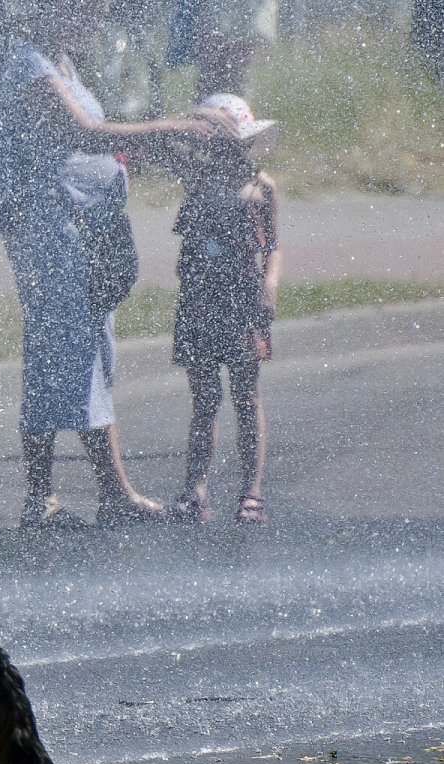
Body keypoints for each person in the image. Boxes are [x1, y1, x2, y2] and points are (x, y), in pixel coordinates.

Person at [0, 0, 231, 528]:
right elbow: (84, 133)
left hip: (80, 231)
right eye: (89, 11)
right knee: (59, 351)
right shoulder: (29, 66)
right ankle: (47, 498)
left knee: (85, 350)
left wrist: (161, 150)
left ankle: (106, 493)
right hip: (51, 234)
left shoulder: (60, 62)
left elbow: (97, 135)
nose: (99, 22)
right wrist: (170, 127)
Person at [166, 94, 281, 525]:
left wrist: (269, 286)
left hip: (242, 301)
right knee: (204, 399)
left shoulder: (260, 187)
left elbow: (272, 247)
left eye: (238, 143)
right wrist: (198, 118)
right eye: (221, 143)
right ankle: (194, 488)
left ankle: (251, 489)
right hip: (199, 300)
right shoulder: (195, 182)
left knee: (247, 396)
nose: (232, 152)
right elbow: (165, 143)